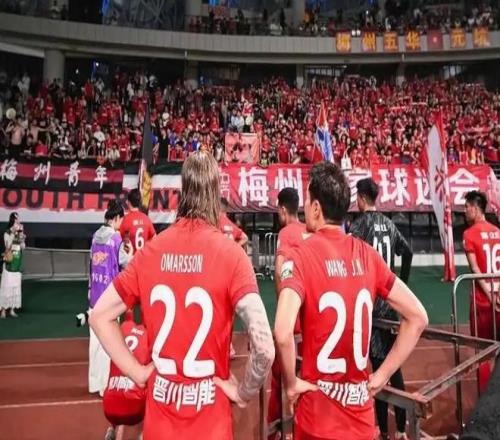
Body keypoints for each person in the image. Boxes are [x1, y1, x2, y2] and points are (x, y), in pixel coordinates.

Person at [89, 151, 274, 439]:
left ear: (183, 189)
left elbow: (99, 316)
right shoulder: (233, 256)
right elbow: (264, 346)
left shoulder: (151, 251)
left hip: (160, 420)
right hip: (210, 421)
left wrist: (138, 373)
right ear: (215, 192)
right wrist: (243, 392)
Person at [274, 162, 428, 440]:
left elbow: (283, 332)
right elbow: (418, 317)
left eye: (307, 200)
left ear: (317, 208)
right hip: (360, 419)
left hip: (317, 418)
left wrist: (291, 383)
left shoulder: (300, 256)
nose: (304, 207)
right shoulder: (368, 255)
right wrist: (381, 377)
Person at [349, 177, 414, 440]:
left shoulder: (359, 225)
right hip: (390, 304)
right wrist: (401, 284)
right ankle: (401, 429)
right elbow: (407, 252)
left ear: (362, 198)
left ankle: (384, 432)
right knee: (394, 365)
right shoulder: (389, 224)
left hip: (371, 307)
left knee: (377, 369)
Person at [268, 187, 308, 438]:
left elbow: (279, 267)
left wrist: (283, 300)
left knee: (279, 377)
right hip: (308, 321)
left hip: (292, 322)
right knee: (306, 376)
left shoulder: (286, 233)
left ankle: (276, 430)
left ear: (283, 209)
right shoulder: (309, 230)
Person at [88, 200, 133, 397]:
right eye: (121, 220)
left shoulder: (95, 238)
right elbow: (126, 264)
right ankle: (104, 385)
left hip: (94, 296)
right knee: (109, 342)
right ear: (115, 218)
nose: (121, 224)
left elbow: (90, 265)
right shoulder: (115, 239)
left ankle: (94, 382)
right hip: (109, 298)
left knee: (95, 343)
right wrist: (131, 253)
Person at [463, 190, 500, 393]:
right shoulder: (497, 231)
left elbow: (475, 269)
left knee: (482, 352)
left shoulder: (469, 234)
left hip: (482, 302)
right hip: (498, 298)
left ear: (476, 208)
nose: (465, 211)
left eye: (467, 207)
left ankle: (485, 399)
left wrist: (489, 295)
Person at [103, 310, 150, 440]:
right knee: (153, 386)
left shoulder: (122, 329)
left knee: (115, 373)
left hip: (109, 407)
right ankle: (143, 435)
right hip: (134, 411)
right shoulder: (148, 336)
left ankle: (111, 428)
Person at [0, 213, 26, 318]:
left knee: (15, 287)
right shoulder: (7, 233)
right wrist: (13, 232)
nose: (18, 222)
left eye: (18, 220)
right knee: (6, 287)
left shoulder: (20, 232)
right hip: (9, 263)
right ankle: (3, 310)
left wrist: (22, 237)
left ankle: (12, 309)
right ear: (12, 221)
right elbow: (7, 245)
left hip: (17, 262)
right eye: (16, 220)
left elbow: (23, 247)